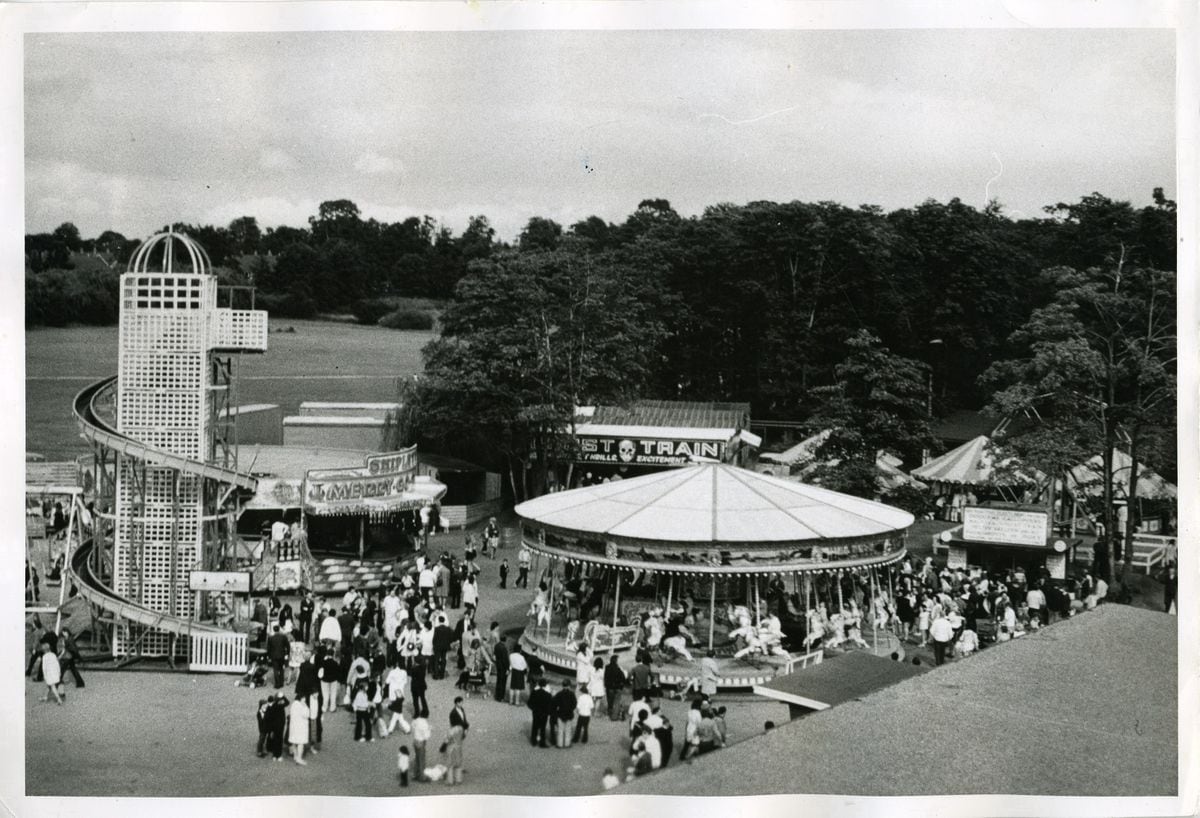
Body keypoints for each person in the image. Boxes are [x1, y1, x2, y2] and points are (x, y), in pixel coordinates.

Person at [527, 677, 553, 747]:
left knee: (535, 726)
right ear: (545, 685)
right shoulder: (548, 694)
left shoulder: (534, 692)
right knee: (543, 728)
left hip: (536, 712)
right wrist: (549, 713)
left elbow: (529, 702)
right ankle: (542, 742)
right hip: (544, 713)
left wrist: (533, 708)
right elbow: (550, 705)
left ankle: (533, 741)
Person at [553, 678, 577, 748]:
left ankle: (559, 744)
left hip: (560, 713)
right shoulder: (572, 694)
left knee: (560, 730)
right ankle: (567, 744)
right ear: (569, 685)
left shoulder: (559, 694)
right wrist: (571, 709)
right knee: (568, 730)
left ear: (562, 685)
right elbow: (574, 704)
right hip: (569, 714)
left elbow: (555, 703)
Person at [604, 654, 627, 721]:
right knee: (617, 702)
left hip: (610, 687)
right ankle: (614, 716)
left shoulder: (607, 667)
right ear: (616, 661)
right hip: (617, 687)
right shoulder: (618, 668)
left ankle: (609, 712)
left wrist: (606, 685)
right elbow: (623, 678)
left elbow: (606, 677)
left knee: (610, 701)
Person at [289, 695, 310, 765]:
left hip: (293, 727)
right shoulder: (302, 706)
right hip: (301, 728)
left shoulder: (293, 705)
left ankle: (295, 756)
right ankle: (299, 758)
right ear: (301, 698)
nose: (305, 700)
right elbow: (306, 715)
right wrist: (305, 707)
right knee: (301, 743)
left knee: (294, 742)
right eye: (304, 698)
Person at [411, 712, 432, 782]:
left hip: (415, 741)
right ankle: (422, 777)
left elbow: (412, 725)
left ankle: (415, 774)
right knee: (421, 760)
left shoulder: (416, 720)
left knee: (417, 758)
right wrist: (429, 729)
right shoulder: (425, 723)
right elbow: (427, 736)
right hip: (421, 742)